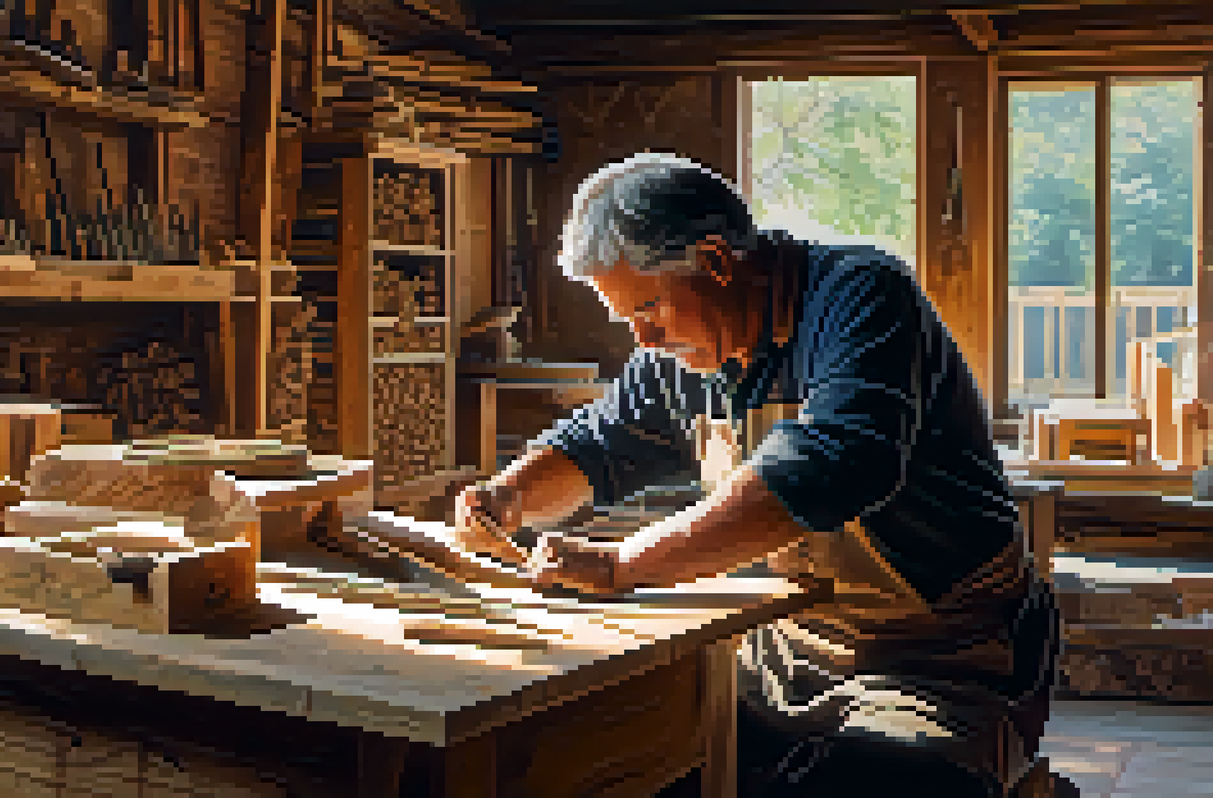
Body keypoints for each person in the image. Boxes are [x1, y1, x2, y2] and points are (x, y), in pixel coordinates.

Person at [454, 152, 1062, 798]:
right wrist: (508, 495)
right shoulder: (679, 358)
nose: (644, 340)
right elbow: (601, 442)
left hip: (941, 661)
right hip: (781, 654)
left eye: (650, 310)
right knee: (614, 761)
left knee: (874, 783)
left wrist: (622, 564)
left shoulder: (862, 296)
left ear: (716, 262)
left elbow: (836, 461)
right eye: (627, 320)